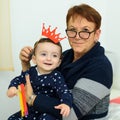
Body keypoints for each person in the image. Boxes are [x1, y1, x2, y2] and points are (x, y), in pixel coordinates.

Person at [19, 3, 113, 120]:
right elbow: (38, 82)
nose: (77, 37)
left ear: (96, 34)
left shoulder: (100, 68)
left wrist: (32, 99)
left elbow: (70, 114)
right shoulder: (66, 55)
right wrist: (25, 64)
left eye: (85, 30)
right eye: (72, 30)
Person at [7, 38, 73, 120]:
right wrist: (12, 87)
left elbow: (64, 91)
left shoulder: (56, 76)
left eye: (54, 55)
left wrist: (65, 103)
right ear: (34, 59)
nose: (49, 58)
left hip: (46, 111)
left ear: (58, 62)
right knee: (12, 118)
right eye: (44, 54)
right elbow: (19, 79)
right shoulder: (31, 72)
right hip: (30, 111)